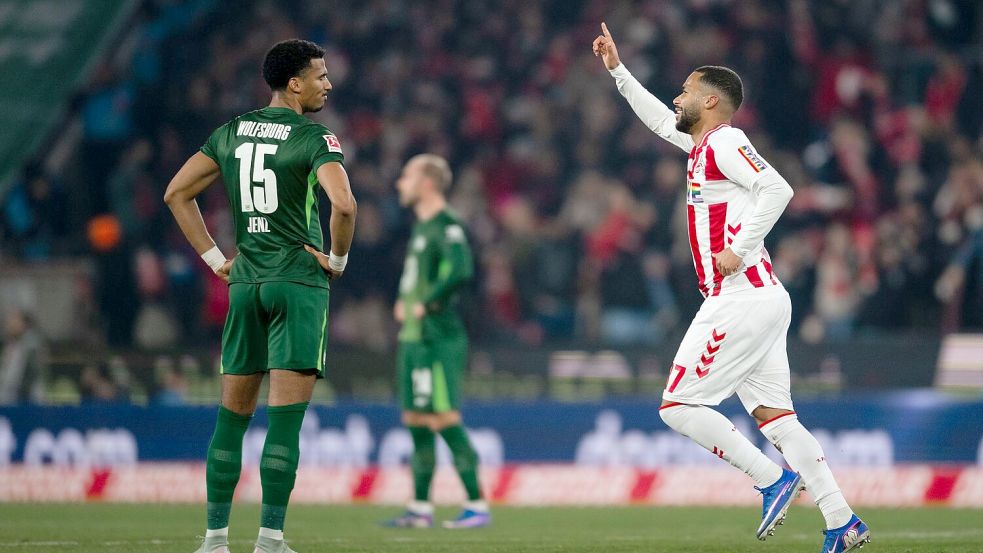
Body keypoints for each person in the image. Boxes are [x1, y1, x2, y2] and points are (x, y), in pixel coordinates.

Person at [593, 23, 870, 553]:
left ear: (712, 100)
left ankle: (771, 480)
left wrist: (739, 246)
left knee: (676, 406)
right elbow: (659, 121)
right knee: (776, 418)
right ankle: (842, 521)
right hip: (760, 298)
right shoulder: (701, 147)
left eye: (686, 90)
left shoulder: (725, 141)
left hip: (741, 295)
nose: (676, 97)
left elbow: (778, 186)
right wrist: (619, 72)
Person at [164, 39, 356, 553]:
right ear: (295, 84)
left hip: (245, 282)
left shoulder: (231, 132)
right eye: (321, 75)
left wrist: (213, 261)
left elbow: (176, 193)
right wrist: (336, 260)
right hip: (297, 282)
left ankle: (214, 540)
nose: (328, 83)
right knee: (285, 422)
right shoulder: (315, 137)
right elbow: (344, 206)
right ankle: (270, 540)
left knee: (231, 419)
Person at [381, 154, 490, 529]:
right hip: (414, 338)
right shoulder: (422, 227)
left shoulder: (447, 225)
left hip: (437, 338)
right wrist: (405, 301)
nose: (400, 183)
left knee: (443, 415)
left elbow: (461, 269)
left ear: (427, 182)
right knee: (416, 418)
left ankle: (476, 505)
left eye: (406, 176)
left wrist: (426, 304)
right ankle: (420, 508)